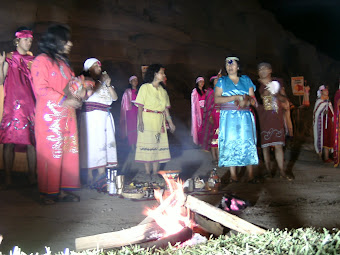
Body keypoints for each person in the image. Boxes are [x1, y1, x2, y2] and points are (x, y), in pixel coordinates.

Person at [31, 24, 81, 204]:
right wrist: (65, 100)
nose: (70, 44)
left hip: (68, 116)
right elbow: (40, 88)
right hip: (49, 117)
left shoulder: (65, 64)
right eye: (66, 40)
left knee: (68, 152)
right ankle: (47, 193)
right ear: (55, 41)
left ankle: (61, 190)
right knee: (51, 153)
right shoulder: (41, 61)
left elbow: (73, 85)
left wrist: (81, 93)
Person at [0, 27, 36, 188]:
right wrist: (0, 64)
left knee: (31, 142)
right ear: (18, 41)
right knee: (9, 141)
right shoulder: (9, 58)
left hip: (29, 105)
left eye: (30, 40)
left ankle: (32, 176)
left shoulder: (33, 61)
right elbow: (1, 80)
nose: (29, 42)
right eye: (26, 39)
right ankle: (7, 177)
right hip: (12, 105)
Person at [214, 56, 258, 183]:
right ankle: (233, 175)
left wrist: (247, 101)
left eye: (232, 64)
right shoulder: (222, 81)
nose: (230, 66)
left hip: (244, 116)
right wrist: (236, 97)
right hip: (228, 116)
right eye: (227, 64)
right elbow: (217, 99)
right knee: (231, 142)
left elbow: (253, 100)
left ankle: (250, 174)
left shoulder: (246, 80)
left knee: (247, 141)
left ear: (238, 67)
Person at [79, 58, 118, 185]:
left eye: (100, 67)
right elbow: (87, 95)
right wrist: (102, 82)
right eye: (96, 66)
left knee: (104, 144)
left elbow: (115, 98)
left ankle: (101, 174)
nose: (99, 69)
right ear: (88, 68)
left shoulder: (105, 83)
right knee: (91, 144)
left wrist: (108, 84)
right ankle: (89, 174)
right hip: (91, 117)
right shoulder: (85, 81)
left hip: (105, 117)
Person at [134, 64, 175, 179]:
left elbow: (166, 109)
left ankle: (155, 171)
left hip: (159, 121)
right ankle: (147, 172)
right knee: (148, 144)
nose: (164, 75)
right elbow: (140, 107)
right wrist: (140, 122)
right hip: (147, 119)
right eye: (162, 72)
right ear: (155, 74)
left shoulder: (163, 91)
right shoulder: (145, 87)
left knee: (157, 145)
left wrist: (170, 122)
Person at [255, 62, 293, 180]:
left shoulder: (277, 82)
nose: (263, 71)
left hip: (276, 117)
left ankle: (282, 171)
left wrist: (275, 93)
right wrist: (263, 95)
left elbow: (284, 98)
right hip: (262, 117)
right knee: (265, 146)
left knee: (278, 145)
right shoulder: (255, 84)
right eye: (260, 69)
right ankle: (268, 170)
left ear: (270, 70)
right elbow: (255, 100)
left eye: (265, 69)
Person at [200, 75, 221, 165]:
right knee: (213, 138)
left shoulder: (222, 91)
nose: (217, 81)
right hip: (213, 116)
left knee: (220, 138)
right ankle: (214, 158)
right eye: (216, 80)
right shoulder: (210, 91)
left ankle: (220, 158)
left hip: (221, 116)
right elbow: (208, 106)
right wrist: (210, 117)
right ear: (212, 81)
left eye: (218, 80)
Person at [313, 85, 334, 163]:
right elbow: (316, 113)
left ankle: (327, 157)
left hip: (328, 124)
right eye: (325, 90)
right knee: (322, 140)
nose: (327, 91)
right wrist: (323, 113)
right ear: (321, 92)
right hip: (321, 125)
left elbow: (331, 113)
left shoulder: (328, 102)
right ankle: (321, 156)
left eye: (327, 90)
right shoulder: (319, 102)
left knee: (328, 140)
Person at [120, 75, 139, 150]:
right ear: (130, 82)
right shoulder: (128, 91)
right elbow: (126, 103)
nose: (135, 81)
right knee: (132, 127)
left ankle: (139, 144)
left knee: (138, 127)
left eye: (136, 80)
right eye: (133, 80)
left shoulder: (139, 90)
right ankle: (132, 146)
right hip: (131, 111)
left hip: (138, 111)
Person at [191, 77, 206, 146]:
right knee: (199, 127)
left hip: (205, 111)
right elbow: (194, 102)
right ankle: (199, 142)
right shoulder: (195, 92)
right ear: (197, 83)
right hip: (198, 112)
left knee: (205, 126)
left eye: (203, 82)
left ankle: (204, 141)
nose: (202, 83)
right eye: (200, 82)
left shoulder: (205, 91)